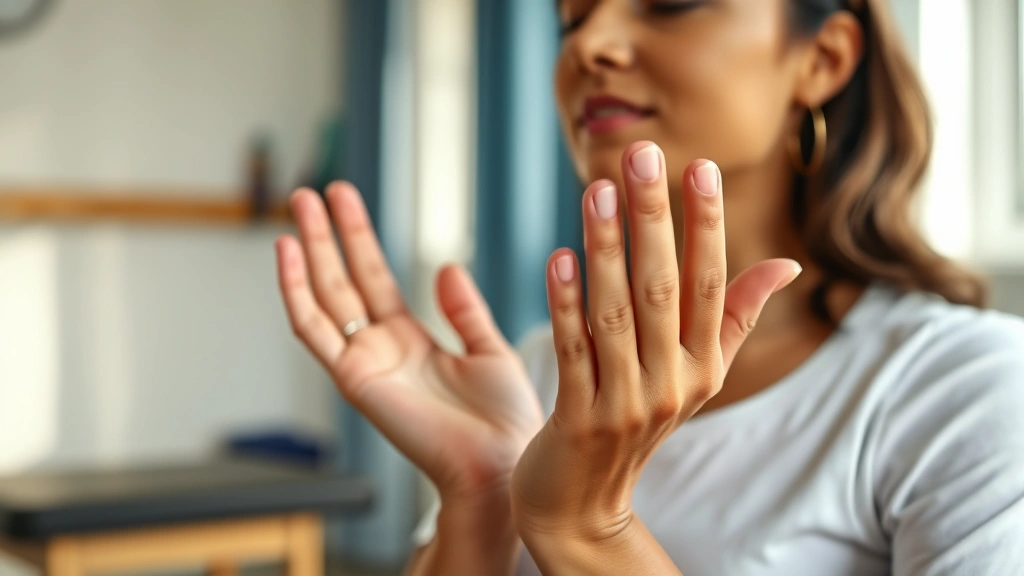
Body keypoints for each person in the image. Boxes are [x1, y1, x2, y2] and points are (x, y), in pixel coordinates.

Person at [275, 0, 1024, 573]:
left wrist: (589, 531)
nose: (589, 45)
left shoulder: (963, 385)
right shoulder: (537, 373)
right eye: (571, 16)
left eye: (668, 1)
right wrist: (480, 499)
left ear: (822, 59)